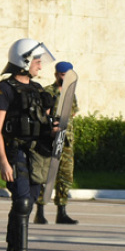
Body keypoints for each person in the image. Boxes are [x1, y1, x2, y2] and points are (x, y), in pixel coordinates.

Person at [0, 38, 56, 251]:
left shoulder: (39, 90)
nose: (41, 65)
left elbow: (45, 123)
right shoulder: (4, 89)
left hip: (37, 154)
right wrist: (3, 162)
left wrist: (56, 130)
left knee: (24, 208)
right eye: (37, 60)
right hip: (15, 151)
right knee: (22, 202)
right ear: (24, 60)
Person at [34, 61, 79, 225]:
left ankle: (62, 212)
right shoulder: (48, 92)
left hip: (66, 141)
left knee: (65, 176)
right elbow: (43, 115)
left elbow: (72, 115)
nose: (65, 78)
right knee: (46, 175)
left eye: (68, 75)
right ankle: (40, 212)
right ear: (56, 75)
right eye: (62, 75)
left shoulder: (71, 93)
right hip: (51, 140)